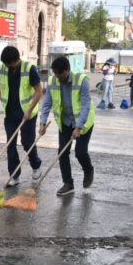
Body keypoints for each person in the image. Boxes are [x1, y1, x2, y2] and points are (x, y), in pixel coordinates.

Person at [39, 56, 95, 196]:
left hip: (83, 122)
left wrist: (78, 127)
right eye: (55, 73)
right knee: (62, 152)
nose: (57, 77)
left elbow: (85, 105)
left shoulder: (82, 81)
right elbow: (47, 103)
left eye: (60, 73)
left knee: (80, 153)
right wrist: (42, 123)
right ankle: (68, 183)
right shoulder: (53, 81)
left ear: (68, 70)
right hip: (65, 121)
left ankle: (88, 170)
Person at [0, 46, 43, 186]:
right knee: (10, 144)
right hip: (10, 114)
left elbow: (39, 91)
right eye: (7, 64)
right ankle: (14, 175)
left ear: (17, 60)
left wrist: (29, 110)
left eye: (11, 64)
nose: (9, 67)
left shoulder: (29, 69)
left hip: (27, 114)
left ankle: (36, 164)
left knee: (27, 143)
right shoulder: (2, 68)